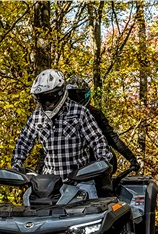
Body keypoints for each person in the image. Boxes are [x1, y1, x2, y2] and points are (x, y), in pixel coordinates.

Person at [11, 69, 113, 199]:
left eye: (50, 97)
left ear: (61, 92)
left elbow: (97, 140)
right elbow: (23, 142)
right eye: (42, 98)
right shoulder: (36, 117)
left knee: (91, 213)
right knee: (31, 211)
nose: (47, 103)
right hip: (48, 185)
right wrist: (16, 166)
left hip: (80, 181)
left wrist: (103, 160)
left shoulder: (80, 112)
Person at [66, 75, 140, 189]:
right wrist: (40, 170)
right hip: (72, 165)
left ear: (84, 96)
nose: (72, 101)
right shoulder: (61, 117)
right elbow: (49, 145)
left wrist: (131, 158)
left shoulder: (94, 114)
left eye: (75, 96)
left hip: (96, 164)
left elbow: (111, 137)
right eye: (70, 96)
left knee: (104, 191)